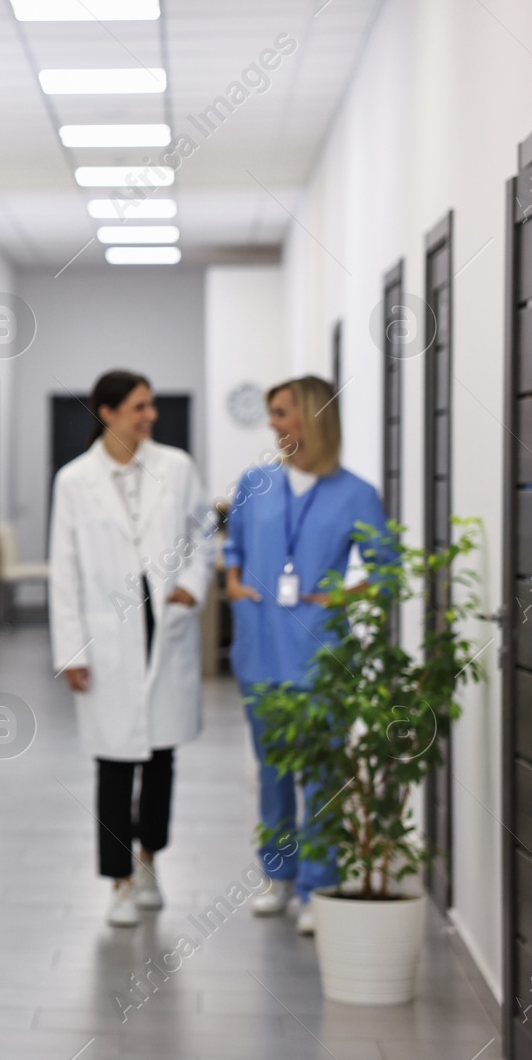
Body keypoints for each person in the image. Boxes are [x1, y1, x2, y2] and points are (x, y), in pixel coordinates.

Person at [223, 375, 387, 936]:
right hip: (260, 649)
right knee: (271, 772)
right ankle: (278, 876)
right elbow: (234, 546)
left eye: (282, 413)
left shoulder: (357, 493)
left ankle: (319, 884)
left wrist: (343, 595)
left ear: (312, 417)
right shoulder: (255, 482)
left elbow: (386, 569)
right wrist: (234, 584)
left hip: (321, 654)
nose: (273, 424)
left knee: (322, 776)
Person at [48, 371, 213, 927]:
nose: (151, 416)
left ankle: (149, 862)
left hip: (166, 624)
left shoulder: (177, 467)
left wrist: (193, 585)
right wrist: (71, 648)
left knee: (162, 757)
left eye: (151, 405)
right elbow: (64, 568)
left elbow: (201, 537)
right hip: (107, 635)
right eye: (140, 407)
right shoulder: (75, 481)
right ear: (108, 411)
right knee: (115, 765)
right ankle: (118, 880)